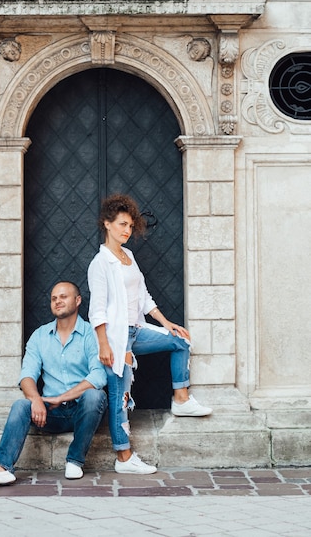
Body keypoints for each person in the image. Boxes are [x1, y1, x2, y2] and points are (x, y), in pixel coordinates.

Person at [88, 194, 212, 475]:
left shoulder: (128, 256)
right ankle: (124, 457)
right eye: (121, 224)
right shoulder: (100, 263)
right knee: (120, 396)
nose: (127, 231)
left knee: (181, 340)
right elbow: (97, 310)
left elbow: (143, 297)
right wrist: (104, 344)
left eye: (130, 226)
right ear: (107, 224)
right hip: (117, 338)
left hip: (137, 330)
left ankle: (180, 399)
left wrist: (167, 323)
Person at [0, 281, 107, 486]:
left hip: (83, 410)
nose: (58, 301)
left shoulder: (91, 334)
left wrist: (62, 397)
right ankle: (1, 469)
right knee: (21, 405)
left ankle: (75, 461)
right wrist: (35, 400)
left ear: (78, 301)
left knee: (95, 395)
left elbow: (99, 376)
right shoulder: (40, 336)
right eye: (54, 298)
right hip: (51, 413)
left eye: (63, 296)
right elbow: (27, 376)